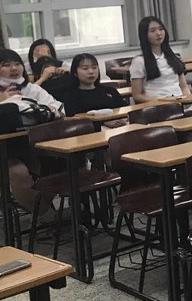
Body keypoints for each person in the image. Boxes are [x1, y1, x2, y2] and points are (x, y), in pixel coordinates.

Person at [0, 48, 63, 215]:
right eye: (6, 65)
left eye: (17, 64)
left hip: (36, 145)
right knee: (18, 171)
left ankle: (43, 211)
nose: (14, 68)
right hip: (6, 150)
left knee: (61, 163)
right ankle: (42, 213)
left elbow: (59, 110)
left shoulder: (31, 89)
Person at [129, 16, 189, 103]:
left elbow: (184, 87)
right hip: (158, 105)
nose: (158, 33)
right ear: (144, 35)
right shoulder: (139, 61)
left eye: (161, 29)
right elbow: (137, 96)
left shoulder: (173, 57)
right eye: (152, 31)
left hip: (180, 101)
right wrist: (164, 101)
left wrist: (188, 100)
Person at [59, 53, 128, 127]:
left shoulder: (110, 91)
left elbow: (125, 110)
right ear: (75, 72)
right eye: (85, 69)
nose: (91, 72)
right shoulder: (71, 96)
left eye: (94, 67)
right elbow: (74, 122)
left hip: (119, 127)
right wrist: (103, 123)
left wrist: (123, 120)